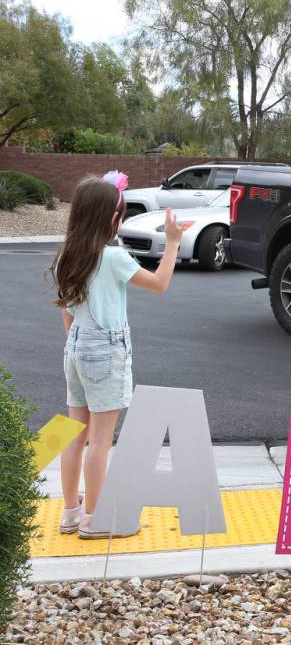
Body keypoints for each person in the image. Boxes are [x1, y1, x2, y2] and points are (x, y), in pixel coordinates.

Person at [50, 172, 187, 539]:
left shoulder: (68, 255)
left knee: (73, 434)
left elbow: (66, 310)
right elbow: (159, 284)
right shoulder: (113, 257)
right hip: (104, 352)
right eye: (120, 213)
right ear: (109, 218)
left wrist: (77, 347)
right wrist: (173, 243)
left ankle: (70, 512)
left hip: (75, 347)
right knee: (100, 440)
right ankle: (97, 519)